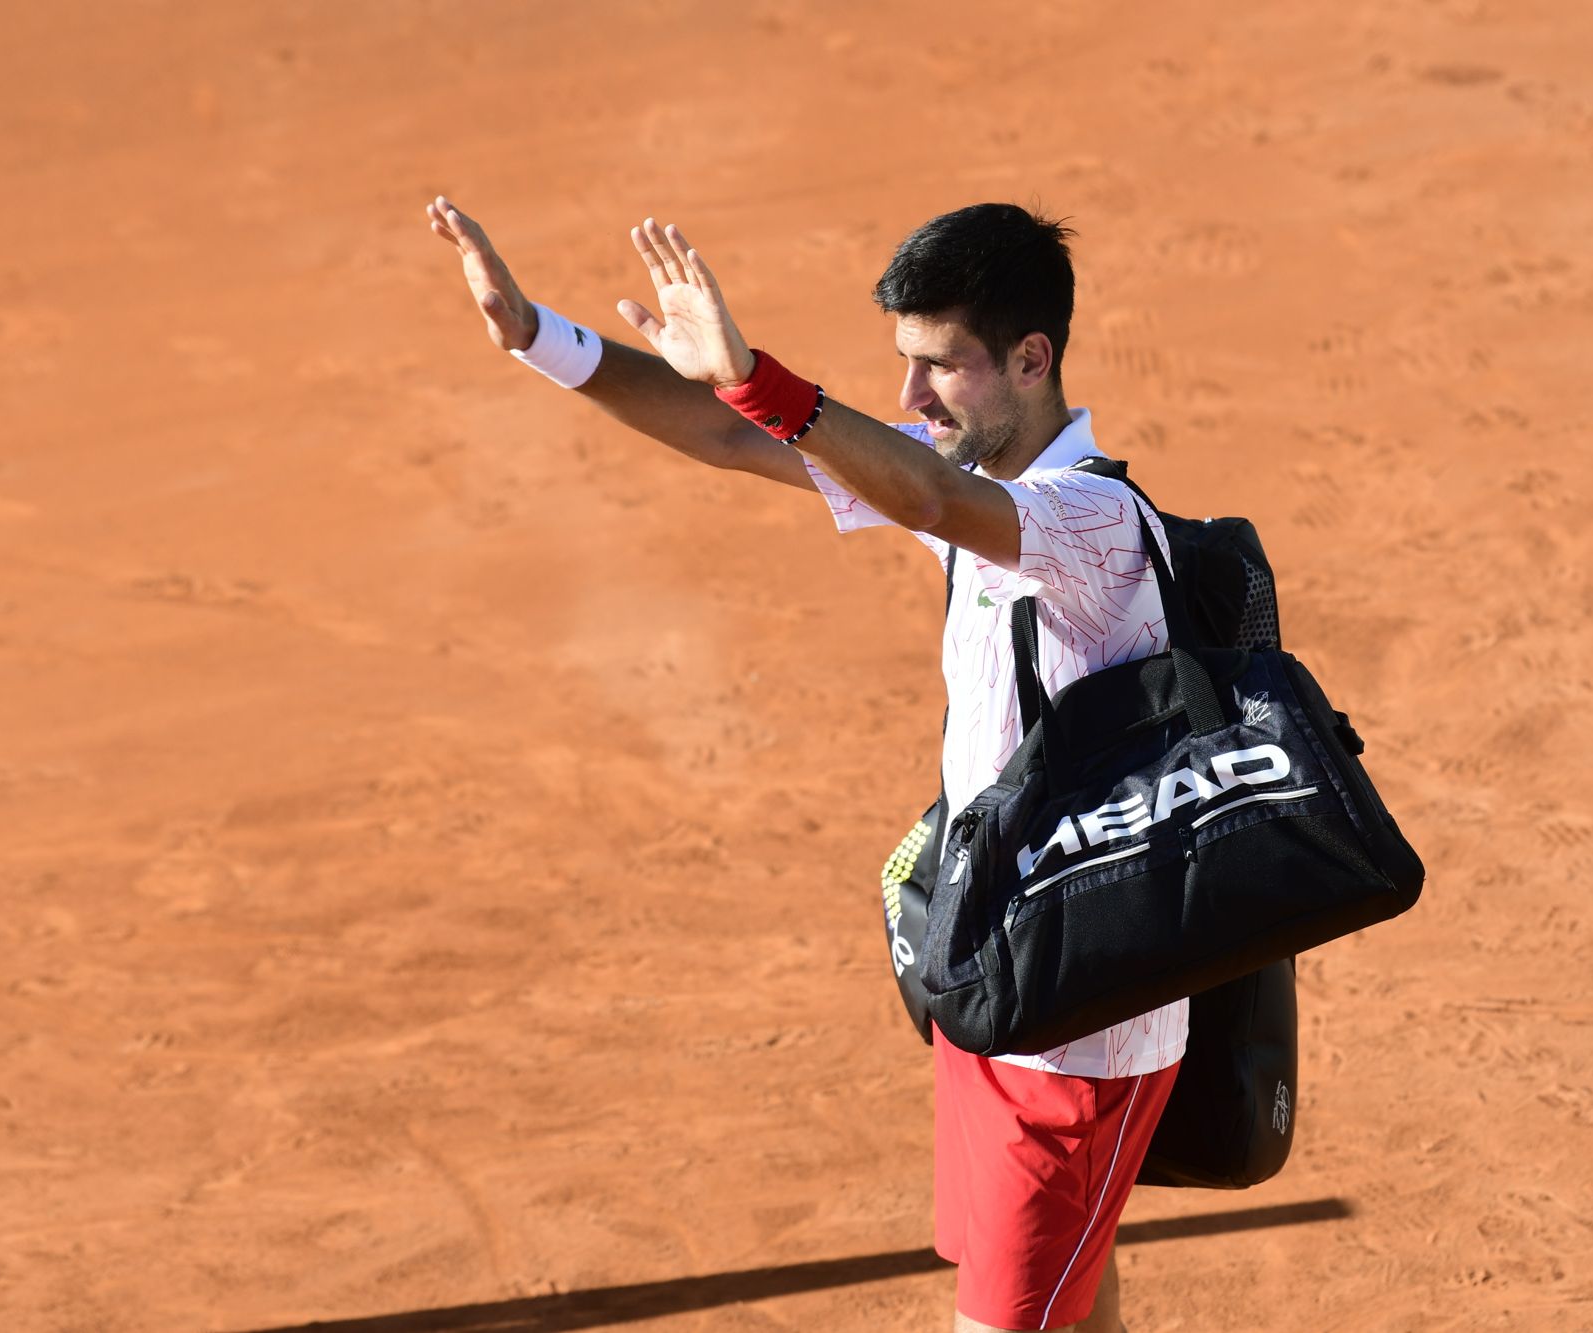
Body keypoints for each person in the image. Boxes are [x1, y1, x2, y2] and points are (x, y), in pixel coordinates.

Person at [427, 195, 1186, 1333]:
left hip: (1079, 1031)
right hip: (997, 978)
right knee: (1074, 1310)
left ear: (1031, 360)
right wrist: (539, 334)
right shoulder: (970, 491)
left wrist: (757, 374)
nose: (908, 399)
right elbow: (737, 438)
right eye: (901, 365)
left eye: (937, 368)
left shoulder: (1083, 523)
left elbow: (920, 487)